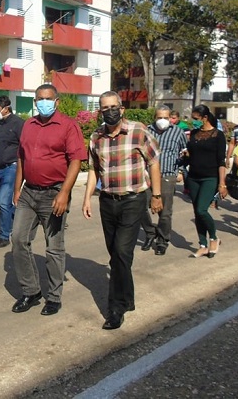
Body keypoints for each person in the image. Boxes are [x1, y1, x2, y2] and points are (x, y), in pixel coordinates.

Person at [83, 91, 162, 330]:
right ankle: (127, 299)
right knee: (118, 255)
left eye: (113, 107)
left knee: (120, 251)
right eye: (104, 108)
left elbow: (153, 162)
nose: (109, 112)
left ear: (122, 108)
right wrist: (87, 198)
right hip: (107, 200)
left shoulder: (138, 131)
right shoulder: (96, 137)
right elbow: (94, 170)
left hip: (133, 199)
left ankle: (115, 309)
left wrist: (156, 196)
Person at [10, 84, 87, 316]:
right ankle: (31, 291)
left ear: (57, 101)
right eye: (39, 99)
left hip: (54, 193)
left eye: (48, 98)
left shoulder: (68, 126)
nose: (43, 102)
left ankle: (53, 297)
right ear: (35, 101)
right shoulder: (29, 125)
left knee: (54, 247)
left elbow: (76, 161)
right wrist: (17, 188)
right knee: (18, 239)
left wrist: (64, 192)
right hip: (29, 193)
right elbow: (22, 157)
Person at [141, 105, 187, 256]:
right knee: (140, 206)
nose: (162, 121)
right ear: (155, 117)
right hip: (147, 175)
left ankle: (162, 240)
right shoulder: (146, 131)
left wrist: (180, 170)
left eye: (166, 118)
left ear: (171, 118)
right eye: (159, 117)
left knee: (165, 212)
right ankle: (149, 231)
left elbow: (185, 152)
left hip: (167, 175)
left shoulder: (178, 132)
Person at [185, 105, 227, 258]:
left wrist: (222, 183)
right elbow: (191, 154)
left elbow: (221, 161)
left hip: (210, 177)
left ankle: (214, 238)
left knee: (202, 209)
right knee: (197, 211)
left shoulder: (218, 135)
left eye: (196, 119)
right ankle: (202, 244)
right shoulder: (194, 133)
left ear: (205, 118)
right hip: (193, 177)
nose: (194, 122)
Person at [0, 96, 25, 248]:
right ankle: (21, 219)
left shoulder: (18, 124)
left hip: (11, 168)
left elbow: (24, 146)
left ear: (7, 108)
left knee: (5, 201)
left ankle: (5, 235)